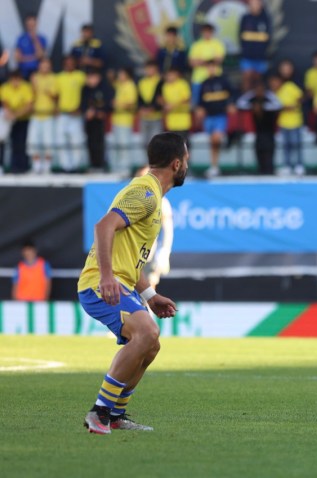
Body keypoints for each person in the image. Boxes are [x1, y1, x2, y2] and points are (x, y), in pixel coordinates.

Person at [78, 132, 188, 435]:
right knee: (147, 332)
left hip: (122, 282)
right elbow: (103, 227)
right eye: (186, 160)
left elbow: (129, 258)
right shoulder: (146, 193)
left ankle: (115, 414)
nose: (186, 166)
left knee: (151, 344)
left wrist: (150, 295)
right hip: (99, 284)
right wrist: (106, 276)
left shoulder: (152, 195)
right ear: (176, 163)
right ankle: (100, 412)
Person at [136, 166, 174, 289]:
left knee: (147, 292)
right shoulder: (130, 201)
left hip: (148, 256)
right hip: (131, 256)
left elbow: (167, 231)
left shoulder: (161, 202)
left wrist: (163, 253)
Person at [196, 60, 234, 178]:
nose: (211, 69)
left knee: (216, 139)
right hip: (209, 117)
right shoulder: (204, 83)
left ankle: (216, 162)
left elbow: (232, 94)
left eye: (213, 67)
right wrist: (200, 109)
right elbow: (200, 101)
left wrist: (231, 104)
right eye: (209, 67)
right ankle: (214, 166)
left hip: (220, 116)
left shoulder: (223, 81)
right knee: (212, 142)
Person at [237, 77, 281, 175]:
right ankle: (261, 170)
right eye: (257, 89)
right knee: (259, 150)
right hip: (259, 131)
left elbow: (278, 104)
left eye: (261, 89)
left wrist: (263, 107)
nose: (259, 91)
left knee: (269, 150)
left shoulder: (269, 97)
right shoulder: (252, 97)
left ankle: (270, 170)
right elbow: (240, 103)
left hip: (269, 131)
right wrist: (253, 105)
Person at [56, 56, 86, 172]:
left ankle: (76, 166)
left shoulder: (80, 76)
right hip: (62, 113)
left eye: (71, 62)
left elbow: (87, 93)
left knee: (76, 141)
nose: (69, 65)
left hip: (75, 114)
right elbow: (56, 95)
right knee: (61, 141)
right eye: (67, 63)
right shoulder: (59, 77)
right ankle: (65, 166)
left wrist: (81, 108)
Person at [275, 59, 305, 175]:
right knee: (285, 145)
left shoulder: (295, 84)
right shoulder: (278, 85)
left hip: (295, 120)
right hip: (283, 121)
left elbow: (301, 98)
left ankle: (299, 164)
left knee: (296, 144)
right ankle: (287, 165)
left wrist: (293, 106)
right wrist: (283, 107)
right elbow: (275, 102)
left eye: (287, 68)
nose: (286, 71)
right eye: (284, 69)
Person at [28, 57, 57, 174]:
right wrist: (34, 85)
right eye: (42, 65)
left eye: (47, 66)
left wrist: (44, 89)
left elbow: (55, 96)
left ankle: (47, 167)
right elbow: (31, 96)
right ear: (39, 66)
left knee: (48, 141)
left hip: (48, 115)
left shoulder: (53, 78)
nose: (44, 68)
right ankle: (36, 166)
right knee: (33, 141)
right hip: (36, 114)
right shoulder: (34, 77)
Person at [0, 70, 33, 173]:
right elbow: (5, 103)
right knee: (3, 141)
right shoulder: (5, 87)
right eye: (13, 79)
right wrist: (10, 114)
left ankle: (21, 167)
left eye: (17, 79)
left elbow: (29, 105)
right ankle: (6, 166)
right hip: (8, 119)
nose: (15, 82)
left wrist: (16, 115)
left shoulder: (26, 87)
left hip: (22, 119)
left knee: (21, 143)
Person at [80, 68, 113, 172]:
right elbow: (83, 104)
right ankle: (92, 164)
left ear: (98, 77)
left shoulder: (104, 88)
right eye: (89, 77)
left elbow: (108, 104)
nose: (91, 80)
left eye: (93, 77)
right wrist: (86, 112)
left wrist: (99, 112)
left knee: (100, 142)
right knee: (90, 142)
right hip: (89, 121)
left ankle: (101, 164)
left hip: (101, 121)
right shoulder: (85, 89)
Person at [188, 23, 225, 106]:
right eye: (205, 31)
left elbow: (219, 60)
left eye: (209, 31)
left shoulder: (218, 44)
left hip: (215, 77)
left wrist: (201, 61)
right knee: (196, 104)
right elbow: (192, 63)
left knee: (215, 104)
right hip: (199, 79)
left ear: (212, 32)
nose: (207, 34)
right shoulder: (196, 45)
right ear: (201, 32)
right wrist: (210, 60)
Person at [239, 0, 272, 91]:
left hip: (260, 57)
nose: (254, 5)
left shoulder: (265, 19)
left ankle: (256, 100)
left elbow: (269, 38)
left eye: (256, 3)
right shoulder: (245, 18)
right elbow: (240, 36)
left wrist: (262, 51)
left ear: (261, 4)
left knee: (259, 81)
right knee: (247, 78)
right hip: (247, 56)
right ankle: (245, 99)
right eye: (252, 3)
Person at [111, 68, 138, 174]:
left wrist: (118, 104)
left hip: (125, 120)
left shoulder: (130, 85)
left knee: (124, 145)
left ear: (128, 75)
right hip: (117, 119)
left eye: (122, 74)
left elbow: (131, 103)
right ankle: (118, 167)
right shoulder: (120, 85)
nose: (120, 76)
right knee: (117, 145)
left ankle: (125, 168)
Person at [159, 67, 192, 143]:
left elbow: (186, 98)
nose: (169, 77)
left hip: (183, 120)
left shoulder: (182, 84)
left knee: (184, 142)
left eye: (171, 75)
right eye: (168, 75)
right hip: (171, 120)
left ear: (177, 75)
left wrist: (173, 106)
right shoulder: (165, 86)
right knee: (173, 143)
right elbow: (164, 100)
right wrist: (164, 105)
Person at [137, 60, 163, 148]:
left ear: (156, 69)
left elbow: (161, 98)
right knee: (145, 143)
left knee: (156, 142)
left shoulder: (160, 81)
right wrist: (141, 109)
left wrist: (153, 108)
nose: (149, 71)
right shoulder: (141, 82)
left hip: (156, 116)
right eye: (147, 69)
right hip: (144, 116)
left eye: (151, 68)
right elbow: (139, 98)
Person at [15, 15, 47, 79]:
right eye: (30, 25)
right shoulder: (21, 38)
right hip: (23, 71)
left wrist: (35, 39)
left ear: (36, 24)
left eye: (33, 25)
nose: (31, 27)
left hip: (37, 72)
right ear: (26, 25)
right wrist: (34, 57)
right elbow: (18, 57)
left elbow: (41, 56)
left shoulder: (42, 38)